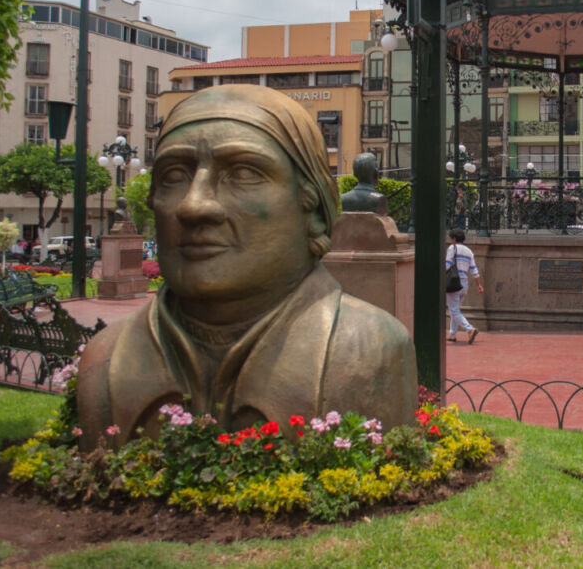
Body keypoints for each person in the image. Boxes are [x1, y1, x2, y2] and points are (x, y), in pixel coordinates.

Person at [76, 84, 417, 447]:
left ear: (315, 210)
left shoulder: (372, 351)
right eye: (174, 176)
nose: (194, 206)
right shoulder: (107, 359)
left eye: (243, 173)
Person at [444, 229, 482, 344]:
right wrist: (478, 285)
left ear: (454, 239)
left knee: (453, 310)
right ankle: (452, 334)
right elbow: (474, 270)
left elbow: (447, 264)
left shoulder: (452, 248)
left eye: (451, 238)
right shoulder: (469, 251)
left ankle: (470, 329)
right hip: (464, 284)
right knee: (455, 309)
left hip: (453, 282)